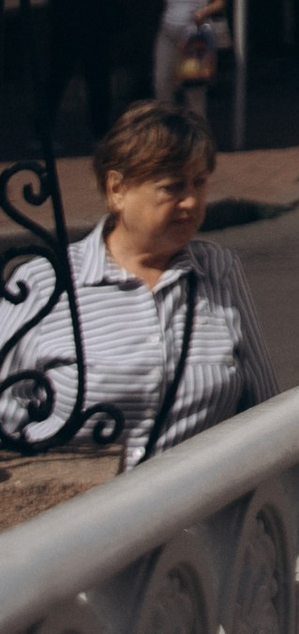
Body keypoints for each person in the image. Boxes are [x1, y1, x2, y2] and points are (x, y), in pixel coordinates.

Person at [19, 103, 277, 467]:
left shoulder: (219, 270)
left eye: (199, 183)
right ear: (117, 190)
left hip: (195, 513)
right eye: (172, 187)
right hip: (79, 517)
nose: (191, 201)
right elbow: (8, 416)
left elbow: (264, 407)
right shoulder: (45, 282)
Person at [43, 0, 121, 146]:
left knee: (55, 80)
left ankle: (42, 132)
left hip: (64, 27)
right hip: (94, 29)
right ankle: (101, 132)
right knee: (97, 82)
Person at [151, 0, 228, 116]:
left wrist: (204, 11)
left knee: (194, 89)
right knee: (161, 83)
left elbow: (220, 0)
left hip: (194, 34)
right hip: (168, 33)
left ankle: (198, 133)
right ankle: (167, 130)